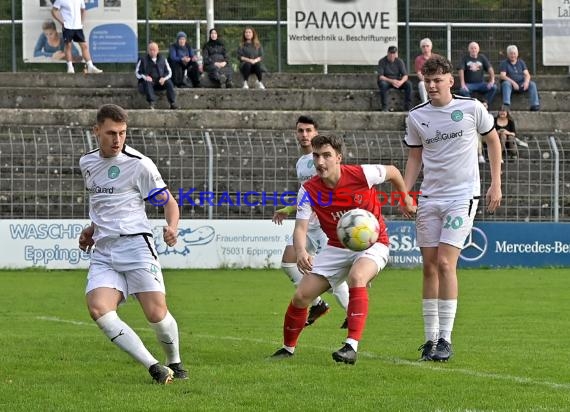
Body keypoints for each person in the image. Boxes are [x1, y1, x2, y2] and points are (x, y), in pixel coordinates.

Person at [270, 134, 416, 365]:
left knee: (357, 276)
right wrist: (301, 252)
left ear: (338, 158)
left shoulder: (362, 174)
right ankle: (287, 349)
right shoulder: (307, 190)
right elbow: (300, 228)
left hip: (374, 243)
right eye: (316, 156)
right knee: (301, 296)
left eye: (326, 156)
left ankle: (351, 347)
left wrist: (405, 198)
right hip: (336, 248)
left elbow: (393, 171)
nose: (320, 162)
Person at [78, 104, 187, 384]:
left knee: (156, 314)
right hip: (103, 249)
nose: (117, 139)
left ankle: (175, 361)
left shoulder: (139, 164)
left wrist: (172, 227)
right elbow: (104, 205)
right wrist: (91, 229)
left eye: (122, 133)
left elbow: (170, 203)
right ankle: (154, 367)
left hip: (136, 246)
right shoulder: (87, 163)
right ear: (96, 131)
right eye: (111, 133)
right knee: (98, 309)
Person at [403, 55, 502, 362]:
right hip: (430, 197)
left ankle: (446, 338)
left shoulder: (471, 108)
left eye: (437, 80)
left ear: (450, 80)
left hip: (463, 196)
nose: (432, 86)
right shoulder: (416, 117)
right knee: (429, 266)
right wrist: (406, 193)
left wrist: (495, 183)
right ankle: (430, 340)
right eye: (427, 81)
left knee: (446, 263)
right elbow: (415, 157)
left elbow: (494, 142)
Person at [272, 116, 349, 329]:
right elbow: (307, 196)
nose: (304, 135)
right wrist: (289, 208)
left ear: (316, 133)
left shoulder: (322, 160)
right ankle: (317, 303)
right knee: (289, 261)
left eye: (308, 130)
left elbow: (332, 188)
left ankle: (352, 312)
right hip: (308, 223)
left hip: (324, 223)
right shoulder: (300, 162)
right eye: (300, 131)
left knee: (332, 273)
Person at [51, 0, 102, 74]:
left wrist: (81, 23)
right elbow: (54, 11)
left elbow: (83, 10)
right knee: (68, 46)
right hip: (67, 27)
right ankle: (70, 68)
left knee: (84, 46)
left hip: (78, 27)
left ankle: (90, 66)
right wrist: (62, 22)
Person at [135, 42, 179, 110]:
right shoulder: (142, 59)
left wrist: (164, 78)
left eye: (154, 50)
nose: (152, 52)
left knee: (169, 83)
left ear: (158, 50)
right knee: (147, 82)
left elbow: (169, 72)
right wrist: (145, 77)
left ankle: (172, 103)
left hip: (160, 82)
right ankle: (152, 103)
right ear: (148, 50)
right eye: (150, 50)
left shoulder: (163, 59)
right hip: (148, 83)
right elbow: (137, 73)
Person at [499, 45, 540, 111]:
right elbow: (502, 76)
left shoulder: (521, 62)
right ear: (508, 55)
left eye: (514, 53)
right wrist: (513, 83)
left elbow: (527, 75)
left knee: (532, 84)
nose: (513, 55)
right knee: (506, 83)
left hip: (521, 84)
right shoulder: (504, 63)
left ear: (517, 54)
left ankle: (535, 105)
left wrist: (526, 82)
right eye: (511, 53)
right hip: (510, 86)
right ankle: (506, 105)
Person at [457, 42, 497, 107]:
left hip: (481, 84)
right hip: (469, 85)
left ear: (478, 49)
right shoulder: (465, 58)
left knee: (494, 87)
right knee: (462, 90)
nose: (473, 50)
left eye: (475, 48)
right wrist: (462, 84)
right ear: (469, 49)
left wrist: (492, 80)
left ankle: (485, 103)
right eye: (472, 48)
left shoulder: (482, 57)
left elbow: (490, 68)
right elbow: (461, 70)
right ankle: (472, 105)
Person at [377, 46, 413, 112]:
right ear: (387, 53)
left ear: (396, 54)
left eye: (394, 53)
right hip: (387, 81)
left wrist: (401, 82)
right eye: (390, 53)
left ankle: (408, 107)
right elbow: (381, 76)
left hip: (397, 81)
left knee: (408, 84)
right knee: (382, 84)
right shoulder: (382, 61)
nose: (392, 55)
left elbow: (405, 75)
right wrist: (392, 81)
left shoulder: (399, 61)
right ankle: (384, 107)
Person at [415, 38, 433, 103]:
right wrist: (427, 80)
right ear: (421, 48)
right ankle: (425, 103)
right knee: (421, 84)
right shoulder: (418, 59)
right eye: (423, 46)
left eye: (427, 46)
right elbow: (419, 73)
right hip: (425, 80)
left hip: (435, 80)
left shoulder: (436, 58)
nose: (425, 48)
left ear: (431, 47)